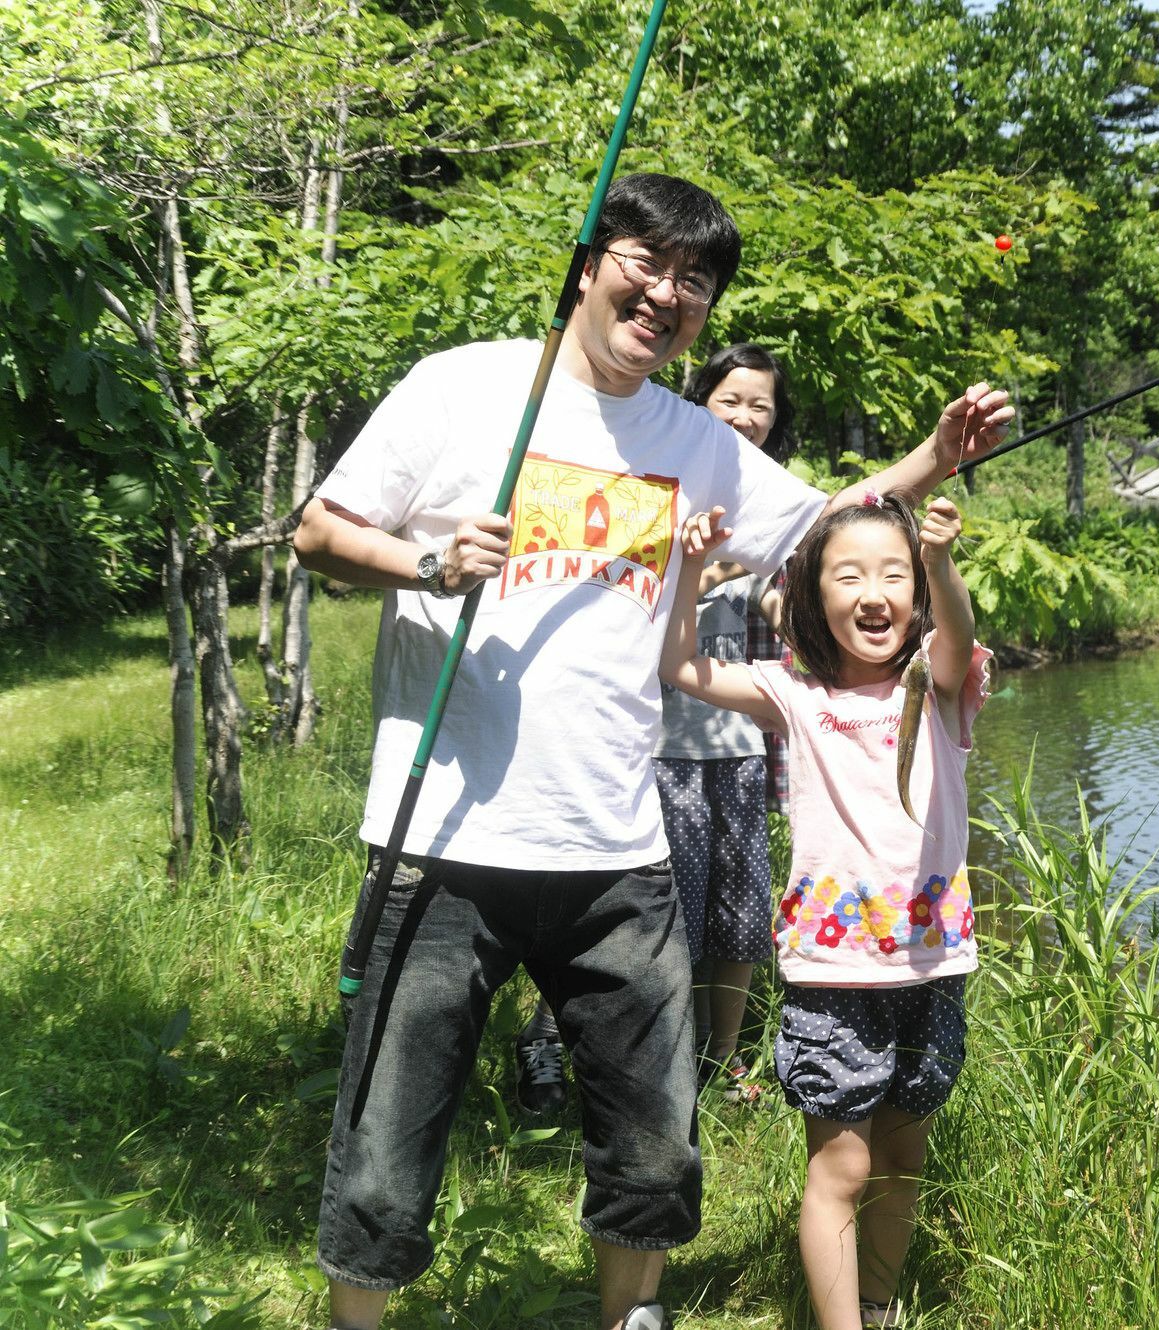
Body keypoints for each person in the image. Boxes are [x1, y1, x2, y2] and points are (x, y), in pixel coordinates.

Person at [292, 172, 1010, 1330]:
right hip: (441, 841)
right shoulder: (464, 389)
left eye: (695, 282)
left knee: (652, 1132)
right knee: (388, 1128)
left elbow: (831, 522)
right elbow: (316, 531)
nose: (666, 294)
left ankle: (634, 1315)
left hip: (614, 842)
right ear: (587, 265)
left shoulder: (693, 440)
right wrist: (427, 565)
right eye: (646, 263)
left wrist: (933, 456)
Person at [661, 491, 987, 1330]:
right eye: (849, 575)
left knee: (904, 1155)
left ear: (917, 593)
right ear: (815, 595)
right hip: (831, 972)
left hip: (931, 962)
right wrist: (690, 566)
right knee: (841, 1165)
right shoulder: (795, 694)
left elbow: (953, 636)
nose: (874, 592)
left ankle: (876, 1308)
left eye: (896, 574)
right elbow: (684, 669)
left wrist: (944, 561)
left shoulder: (940, 685)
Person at [513, 343, 795, 1113]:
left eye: (761, 405)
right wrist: (711, 567)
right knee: (629, 918)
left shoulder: (762, 517)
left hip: (731, 753)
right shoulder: (656, 486)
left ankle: (723, 1062)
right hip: (643, 751)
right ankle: (550, 1042)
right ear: (697, 404)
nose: (745, 415)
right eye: (730, 399)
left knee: (737, 918)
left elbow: (782, 610)